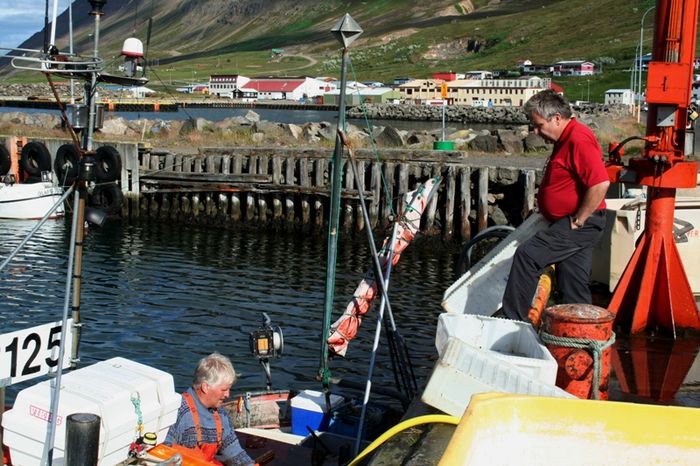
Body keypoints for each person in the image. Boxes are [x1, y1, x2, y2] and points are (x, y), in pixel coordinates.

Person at [500, 89, 610, 322]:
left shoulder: (578, 139)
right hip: (576, 223)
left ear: (557, 118)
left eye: (539, 125)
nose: (535, 132)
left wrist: (577, 221)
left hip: (581, 223)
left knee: (528, 256)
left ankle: (513, 322)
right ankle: (580, 337)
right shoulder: (567, 138)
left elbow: (600, 183)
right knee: (573, 283)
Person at [164, 352, 255, 466]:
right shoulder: (178, 412)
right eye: (224, 390)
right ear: (205, 387)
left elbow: (234, 452)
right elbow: (163, 453)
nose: (228, 395)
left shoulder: (221, 414)